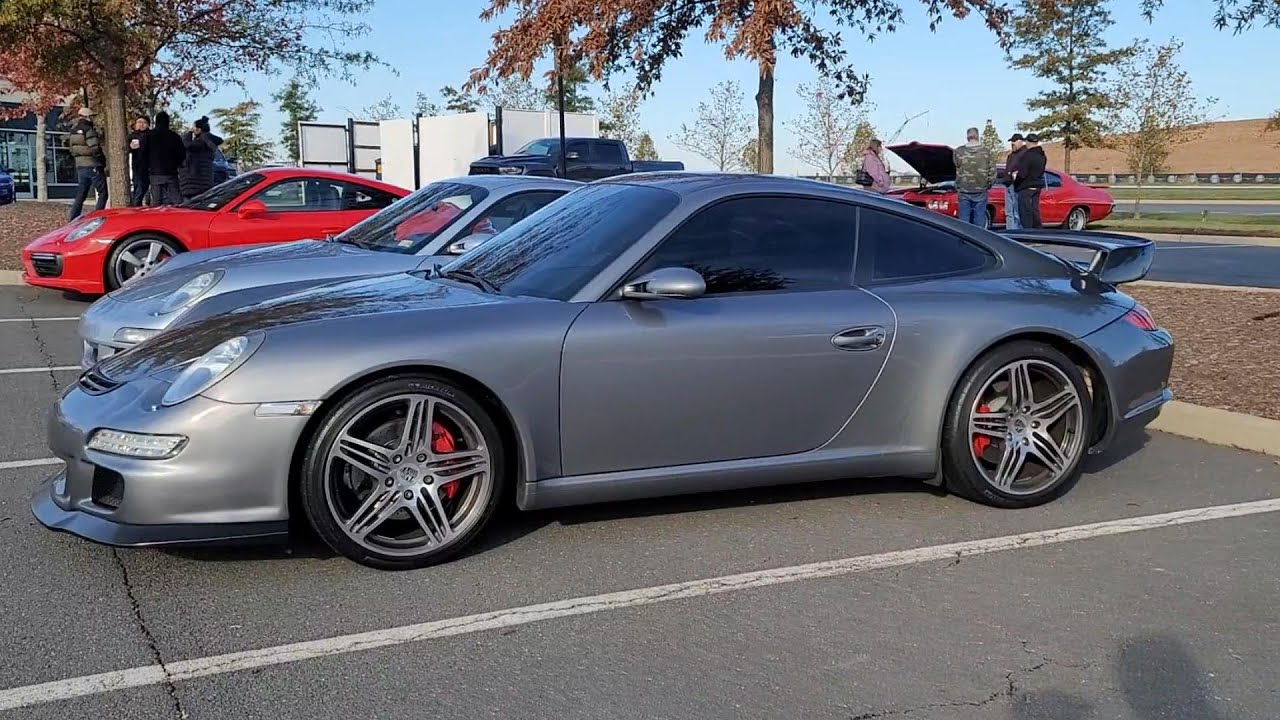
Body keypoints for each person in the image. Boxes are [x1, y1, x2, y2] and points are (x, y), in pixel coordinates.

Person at [66, 107, 108, 221]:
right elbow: (95, 148)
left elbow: (72, 150)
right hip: (93, 164)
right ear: (88, 117)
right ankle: (97, 217)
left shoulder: (73, 131)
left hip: (80, 166)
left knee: (82, 193)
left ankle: (73, 218)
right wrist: (102, 161)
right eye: (92, 117)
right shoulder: (89, 130)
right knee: (103, 193)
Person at [952, 126, 996, 227]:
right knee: (980, 218)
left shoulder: (958, 152)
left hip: (964, 190)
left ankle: (964, 240)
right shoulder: (986, 152)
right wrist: (988, 185)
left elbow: (956, 165)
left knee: (963, 220)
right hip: (981, 189)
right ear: (978, 136)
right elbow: (993, 171)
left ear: (967, 137)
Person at [179, 116, 223, 200]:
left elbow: (185, 145)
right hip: (206, 181)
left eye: (194, 128)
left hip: (194, 182)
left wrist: (188, 133)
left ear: (198, 129)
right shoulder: (209, 142)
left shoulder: (199, 143)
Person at [146, 111, 186, 205]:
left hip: (155, 171)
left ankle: (157, 218)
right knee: (176, 200)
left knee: (156, 201)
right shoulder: (174, 136)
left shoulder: (149, 136)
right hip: (171, 172)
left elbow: (144, 153)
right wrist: (178, 164)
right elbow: (182, 153)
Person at [1012, 132, 1047, 229]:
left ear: (1028, 142)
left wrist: (1015, 177)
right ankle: (1038, 231)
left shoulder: (1027, 155)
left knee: (1025, 213)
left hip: (1026, 186)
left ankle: (1027, 232)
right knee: (1035, 211)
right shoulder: (1042, 156)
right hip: (1037, 185)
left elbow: (1023, 173)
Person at [1000, 133, 1026, 229]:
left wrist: (1017, 174)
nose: (1012, 143)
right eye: (1011, 141)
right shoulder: (1011, 155)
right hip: (1008, 184)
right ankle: (1010, 232)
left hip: (1017, 186)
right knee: (1009, 212)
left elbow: (1026, 170)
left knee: (1016, 212)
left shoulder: (1024, 154)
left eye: (1014, 141)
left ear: (1020, 141)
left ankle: (1018, 233)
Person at [126, 117, 150, 207]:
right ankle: (136, 207)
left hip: (151, 166)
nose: (141, 124)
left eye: (144, 122)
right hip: (138, 167)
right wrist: (130, 147)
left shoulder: (151, 135)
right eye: (139, 122)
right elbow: (125, 149)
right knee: (139, 189)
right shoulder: (132, 136)